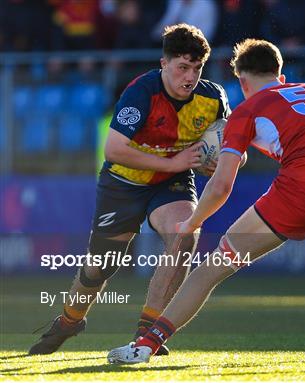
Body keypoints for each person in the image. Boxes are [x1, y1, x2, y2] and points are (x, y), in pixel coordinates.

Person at [107, 38, 305, 364]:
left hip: (302, 190)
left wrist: (192, 223)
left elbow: (221, 186)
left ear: (242, 81)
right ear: (280, 76)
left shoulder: (247, 110)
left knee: (209, 270)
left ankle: (146, 345)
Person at [28, 23, 230, 356]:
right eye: (182, 67)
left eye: (197, 68)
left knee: (185, 233)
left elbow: (231, 145)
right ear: (163, 64)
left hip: (170, 184)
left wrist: (219, 159)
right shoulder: (141, 92)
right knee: (99, 267)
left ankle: (148, 333)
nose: (189, 77)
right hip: (124, 182)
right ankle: (70, 320)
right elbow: (114, 149)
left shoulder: (213, 98)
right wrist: (174, 162)